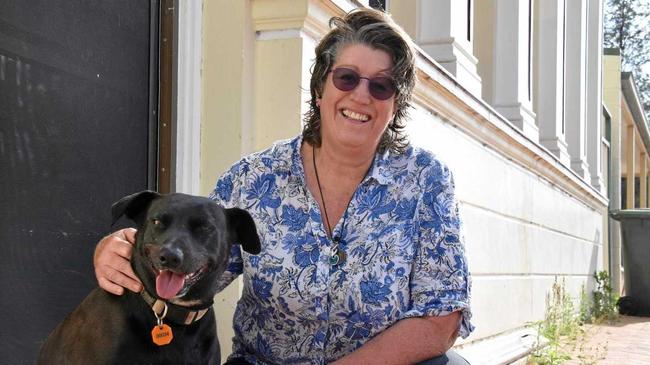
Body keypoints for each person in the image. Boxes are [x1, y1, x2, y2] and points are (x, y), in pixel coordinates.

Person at [94, 8, 473, 365]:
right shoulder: (255, 179)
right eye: (346, 77)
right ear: (321, 86)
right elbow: (193, 260)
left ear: (396, 104)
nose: (361, 95)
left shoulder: (426, 180)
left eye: (381, 86)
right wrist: (119, 251)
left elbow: (442, 316)